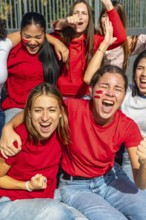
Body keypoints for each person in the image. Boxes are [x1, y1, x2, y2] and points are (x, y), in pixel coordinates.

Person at [1, 65, 146, 220]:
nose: (110, 93)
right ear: (91, 90)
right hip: (75, 185)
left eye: (118, 89)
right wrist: (8, 127)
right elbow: (39, 109)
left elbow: (141, 183)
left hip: (109, 177)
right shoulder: (72, 108)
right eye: (104, 86)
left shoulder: (127, 126)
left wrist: (145, 164)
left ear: (124, 95)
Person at [0, 82, 88, 220]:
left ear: (60, 112)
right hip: (9, 202)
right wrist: (28, 185)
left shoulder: (62, 131)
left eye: (52, 110)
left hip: (47, 200)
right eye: (38, 110)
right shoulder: (17, 138)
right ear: (29, 112)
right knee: (56, 213)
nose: (45, 117)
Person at [1, 12, 69, 123]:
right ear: (20, 33)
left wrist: (56, 41)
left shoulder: (53, 50)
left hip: (45, 107)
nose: (32, 42)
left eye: (38, 37)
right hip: (16, 108)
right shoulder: (11, 51)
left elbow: (60, 26)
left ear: (44, 34)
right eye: (27, 36)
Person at [51, 0, 126, 98]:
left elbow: (120, 38)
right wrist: (62, 26)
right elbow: (41, 36)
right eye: (76, 13)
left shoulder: (95, 40)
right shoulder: (61, 37)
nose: (79, 16)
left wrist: (108, 4)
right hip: (60, 95)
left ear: (89, 19)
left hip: (85, 96)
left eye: (84, 13)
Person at [97, 0, 146, 72]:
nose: (106, 21)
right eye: (104, 16)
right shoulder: (94, 39)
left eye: (111, 17)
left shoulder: (126, 43)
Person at [120, 50, 146, 181]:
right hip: (131, 156)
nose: (144, 74)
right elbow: (91, 81)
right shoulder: (124, 93)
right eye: (140, 68)